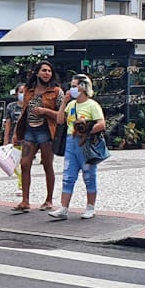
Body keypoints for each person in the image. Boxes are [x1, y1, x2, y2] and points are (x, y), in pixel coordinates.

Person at [49, 75, 105, 220]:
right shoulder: (71, 104)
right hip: (70, 142)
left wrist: (86, 131)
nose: (72, 88)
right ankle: (63, 208)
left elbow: (102, 124)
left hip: (85, 143)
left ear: (83, 87)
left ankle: (90, 207)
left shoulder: (92, 105)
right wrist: (64, 103)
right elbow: (60, 120)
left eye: (74, 86)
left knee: (89, 175)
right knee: (68, 176)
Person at [12, 61, 64, 212]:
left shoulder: (56, 91)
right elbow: (23, 112)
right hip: (29, 131)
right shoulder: (28, 90)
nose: (47, 73)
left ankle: (48, 200)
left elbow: (62, 115)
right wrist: (16, 132)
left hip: (46, 131)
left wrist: (45, 111)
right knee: (25, 163)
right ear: (37, 73)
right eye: (44, 70)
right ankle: (25, 201)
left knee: (47, 165)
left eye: (49, 71)